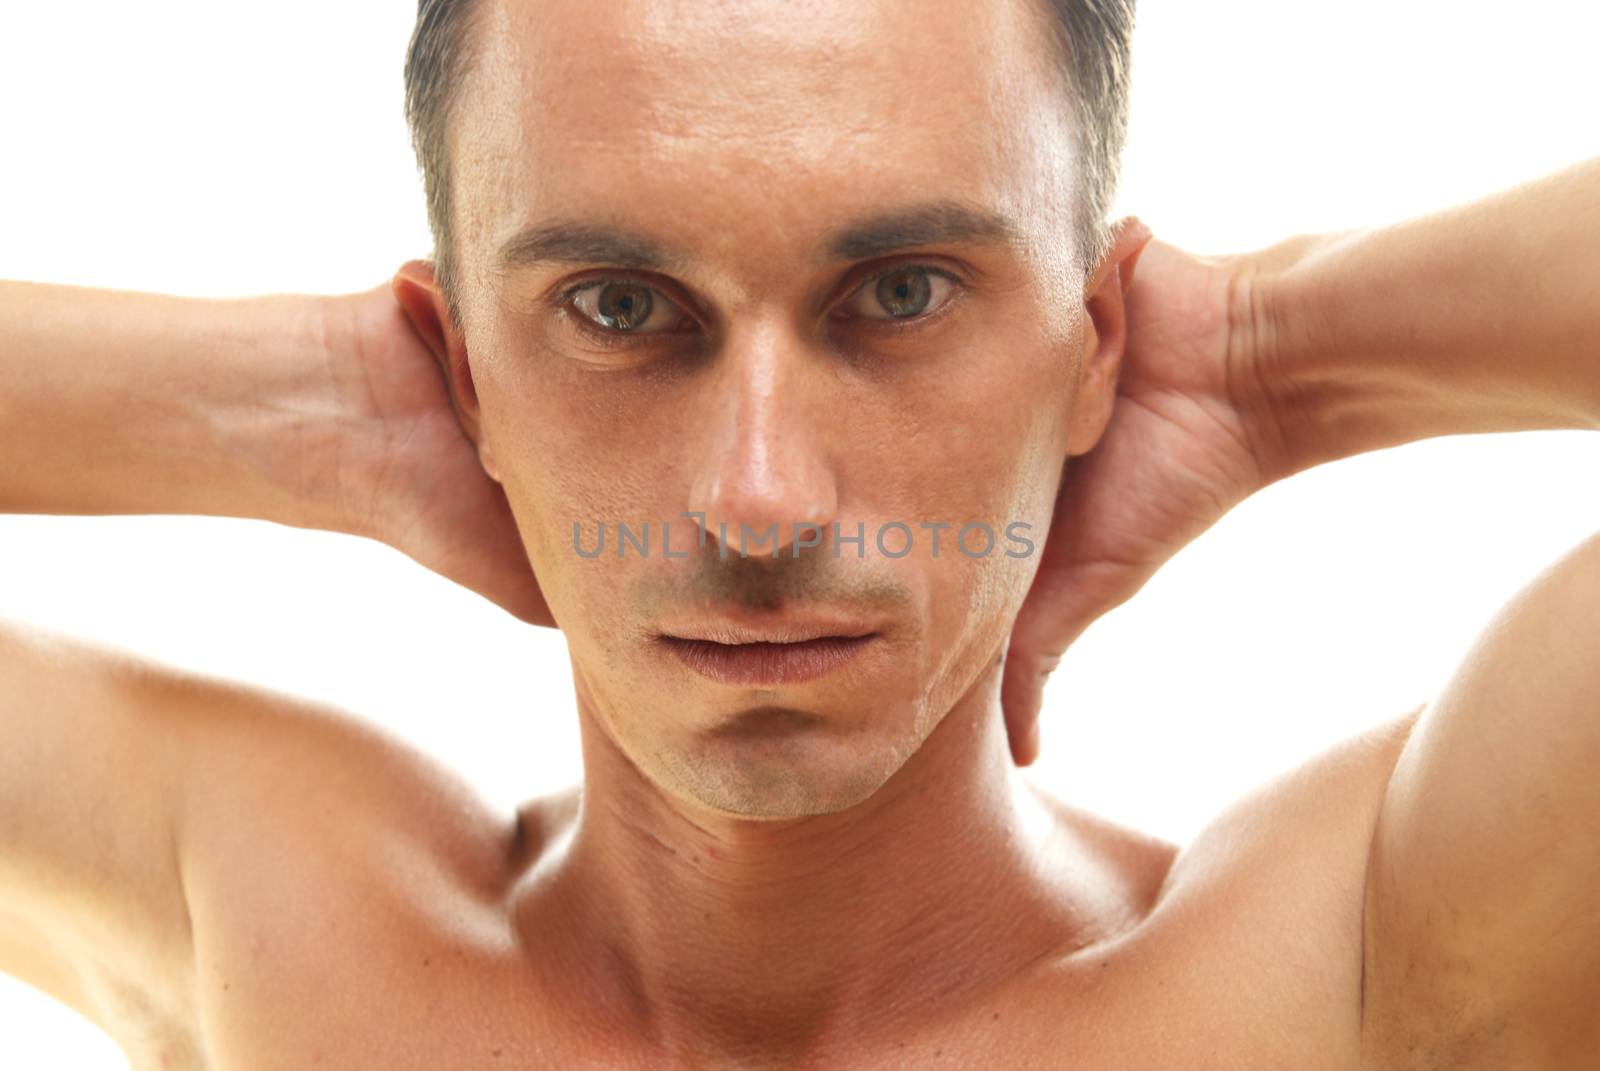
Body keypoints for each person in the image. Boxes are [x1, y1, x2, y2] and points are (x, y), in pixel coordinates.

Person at [2, 0, 1597, 1065]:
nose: (759, 500)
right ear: (466, 361)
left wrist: (1266, 351)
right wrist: (323, 404)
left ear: (1093, 338)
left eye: (901, 293)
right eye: (619, 306)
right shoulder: (288, 921)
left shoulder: (1340, 973)